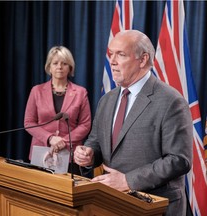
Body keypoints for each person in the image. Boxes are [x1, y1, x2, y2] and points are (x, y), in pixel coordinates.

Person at [74, 30, 193, 216]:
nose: (112, 61)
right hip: (110, 203)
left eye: (120, 54)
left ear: (143, 59)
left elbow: (179, 160)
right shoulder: (107, 100)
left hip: (155, 206)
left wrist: (128, 181)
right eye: (111, 54)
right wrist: (88, 155)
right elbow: (96, 142)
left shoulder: (171, 101)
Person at [24, 46, 92, 175]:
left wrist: (64, 141)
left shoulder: (80, 92)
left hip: (70, 155)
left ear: (70, 67)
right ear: (49, 67)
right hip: (41, 153)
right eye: (55, 63)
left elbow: (85, 124)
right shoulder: (36, 91)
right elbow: (29, 122)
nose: (59, 67)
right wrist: (49, 138)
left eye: (64, 63)